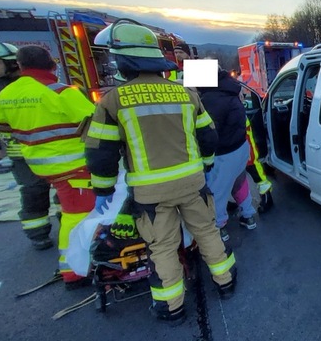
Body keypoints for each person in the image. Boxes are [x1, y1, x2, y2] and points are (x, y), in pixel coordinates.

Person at [85, 19, 236, 325]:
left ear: (124, 61)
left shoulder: (113, 101)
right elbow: (209, 136)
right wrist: (205, 164)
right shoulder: (186, 94)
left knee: (163, 246)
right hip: (193, 183)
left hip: (151, 194)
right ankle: (226, 282)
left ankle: (172, 307)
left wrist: (103, 189)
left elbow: (101, 152)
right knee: (207, 231)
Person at [0, 45, 96, 288]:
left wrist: (28, 132)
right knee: (78, 216)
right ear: (53, 65)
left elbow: (2, 124)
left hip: (38, 163)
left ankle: (60, 249)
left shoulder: (7, 94)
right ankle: (73, 271)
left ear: (20, 66)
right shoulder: (63, 92)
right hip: (73, 166)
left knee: (62, 205)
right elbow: (97, 124)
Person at [0, 42, 54, 250]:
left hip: (49, 148)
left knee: (64, 191)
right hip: (20, 153)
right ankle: (38, 233)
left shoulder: (35, 85)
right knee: (33, 192)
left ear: (13, 63)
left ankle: (71, 224)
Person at [197, 66, 258, 241]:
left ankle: (220, 226)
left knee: (217, 191)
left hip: (223, 154)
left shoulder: (210, 99)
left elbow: (208, 133)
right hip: (240, 148)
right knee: (239, 183)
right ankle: (248, 215)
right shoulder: (230, 91)